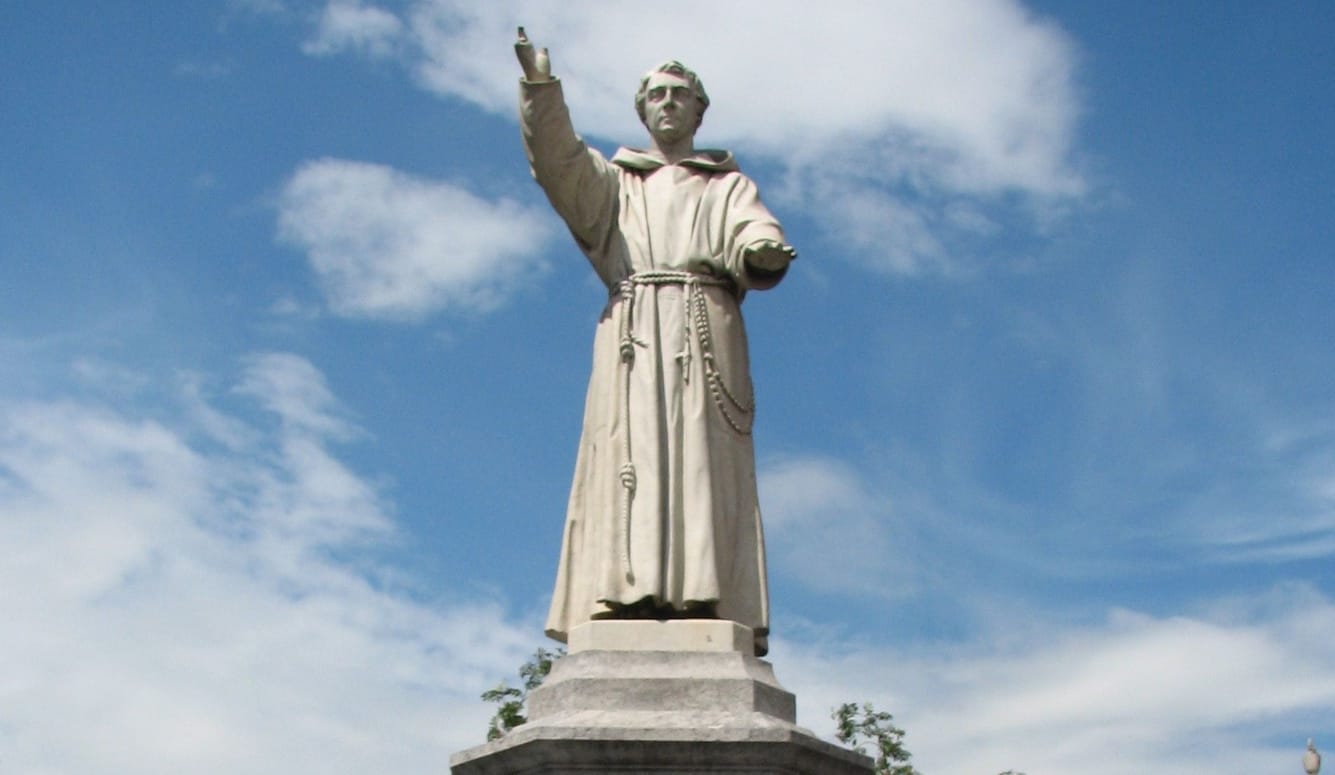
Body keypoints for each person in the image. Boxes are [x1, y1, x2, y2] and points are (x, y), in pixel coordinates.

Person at [516, 28, 795, 656]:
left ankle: (705, 593)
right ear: (643, 110)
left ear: (699, 109)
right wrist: (541, 90)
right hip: (634, 332)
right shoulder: (617, 185)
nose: (668, 103)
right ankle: (627, 588)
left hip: (704, 328)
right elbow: (557, 164)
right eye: (657, 95)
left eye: (680, 94)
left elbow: (757, 233)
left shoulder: (725, 186)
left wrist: (760, 249)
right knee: (631, 460)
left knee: (700, 459)